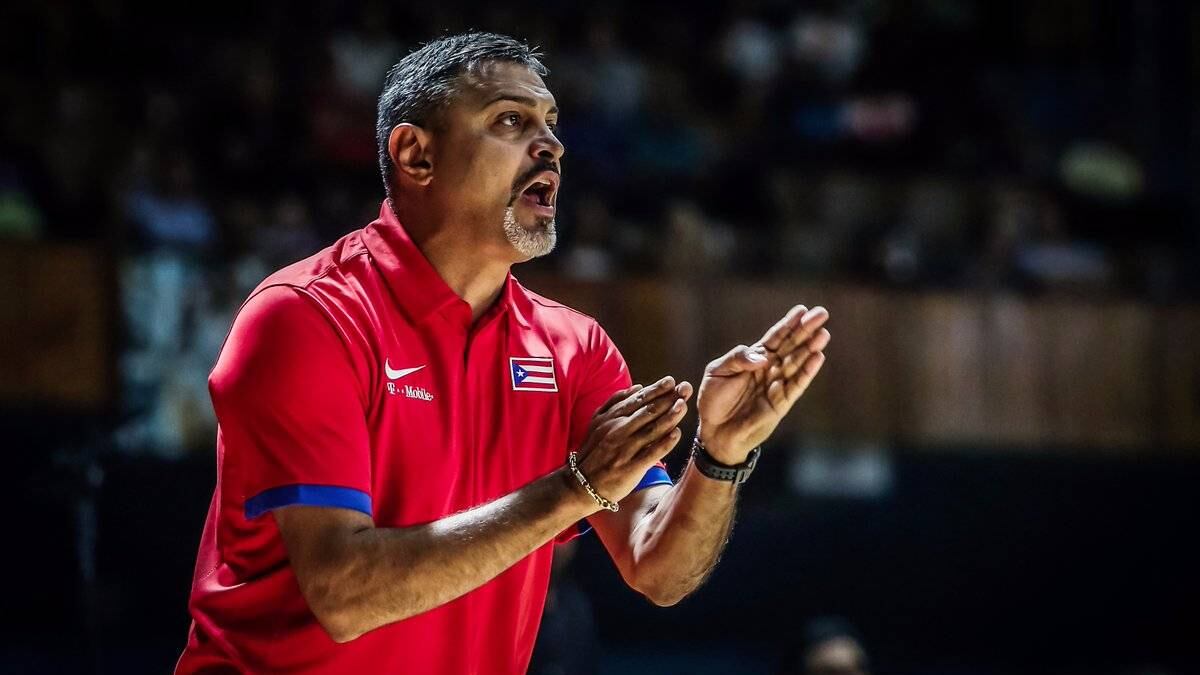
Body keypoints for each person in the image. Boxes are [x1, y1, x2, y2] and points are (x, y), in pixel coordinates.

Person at [175, 32, 830, 674]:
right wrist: (573, 489)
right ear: (415, 154)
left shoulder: (575, 348)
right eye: (510, 121)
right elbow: (343, 593)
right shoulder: (306, 316)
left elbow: (658, 568)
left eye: (551, 123)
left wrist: (719, 456)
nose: (552, 145)